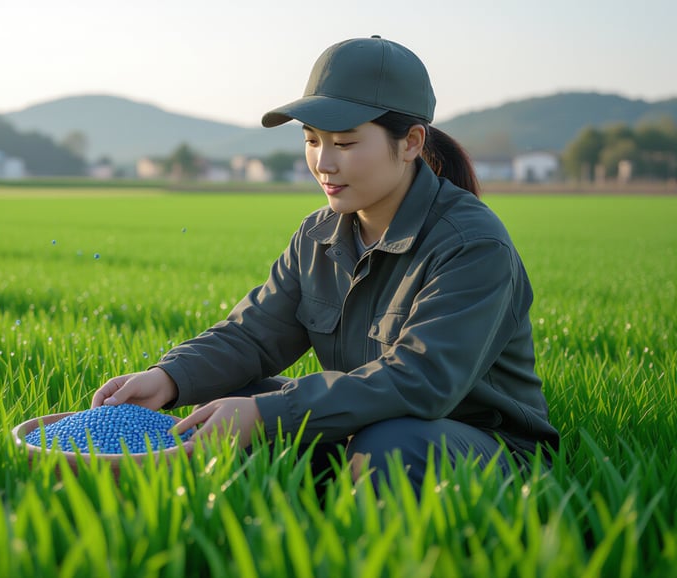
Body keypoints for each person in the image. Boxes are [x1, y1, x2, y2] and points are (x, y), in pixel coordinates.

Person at [91, 36, 559, 491]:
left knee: (387, 446)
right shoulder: (319, 234)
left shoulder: (472, 244)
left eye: (346, 144)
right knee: (226, 408)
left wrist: (269, 416)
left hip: (477, 443)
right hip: (364, 425)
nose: (323, 163)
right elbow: (253, 334)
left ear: (411, 142)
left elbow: (422, 381)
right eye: (312, 141)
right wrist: (169, 378)